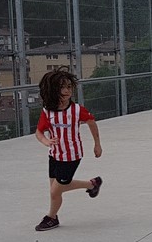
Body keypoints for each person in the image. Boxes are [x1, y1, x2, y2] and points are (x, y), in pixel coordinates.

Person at [34, 69, 102, 232]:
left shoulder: (77, 110)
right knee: (55, 190)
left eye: (69, 87)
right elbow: (39, 132)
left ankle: (51, 217)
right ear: (52, 90)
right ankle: (92, 184)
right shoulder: (47, 111)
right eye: (62, 87)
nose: (67, 91)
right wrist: (46, 142)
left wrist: (97, 144)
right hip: (54, 155)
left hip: (71, 156)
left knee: (55, 191)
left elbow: (92, 122)